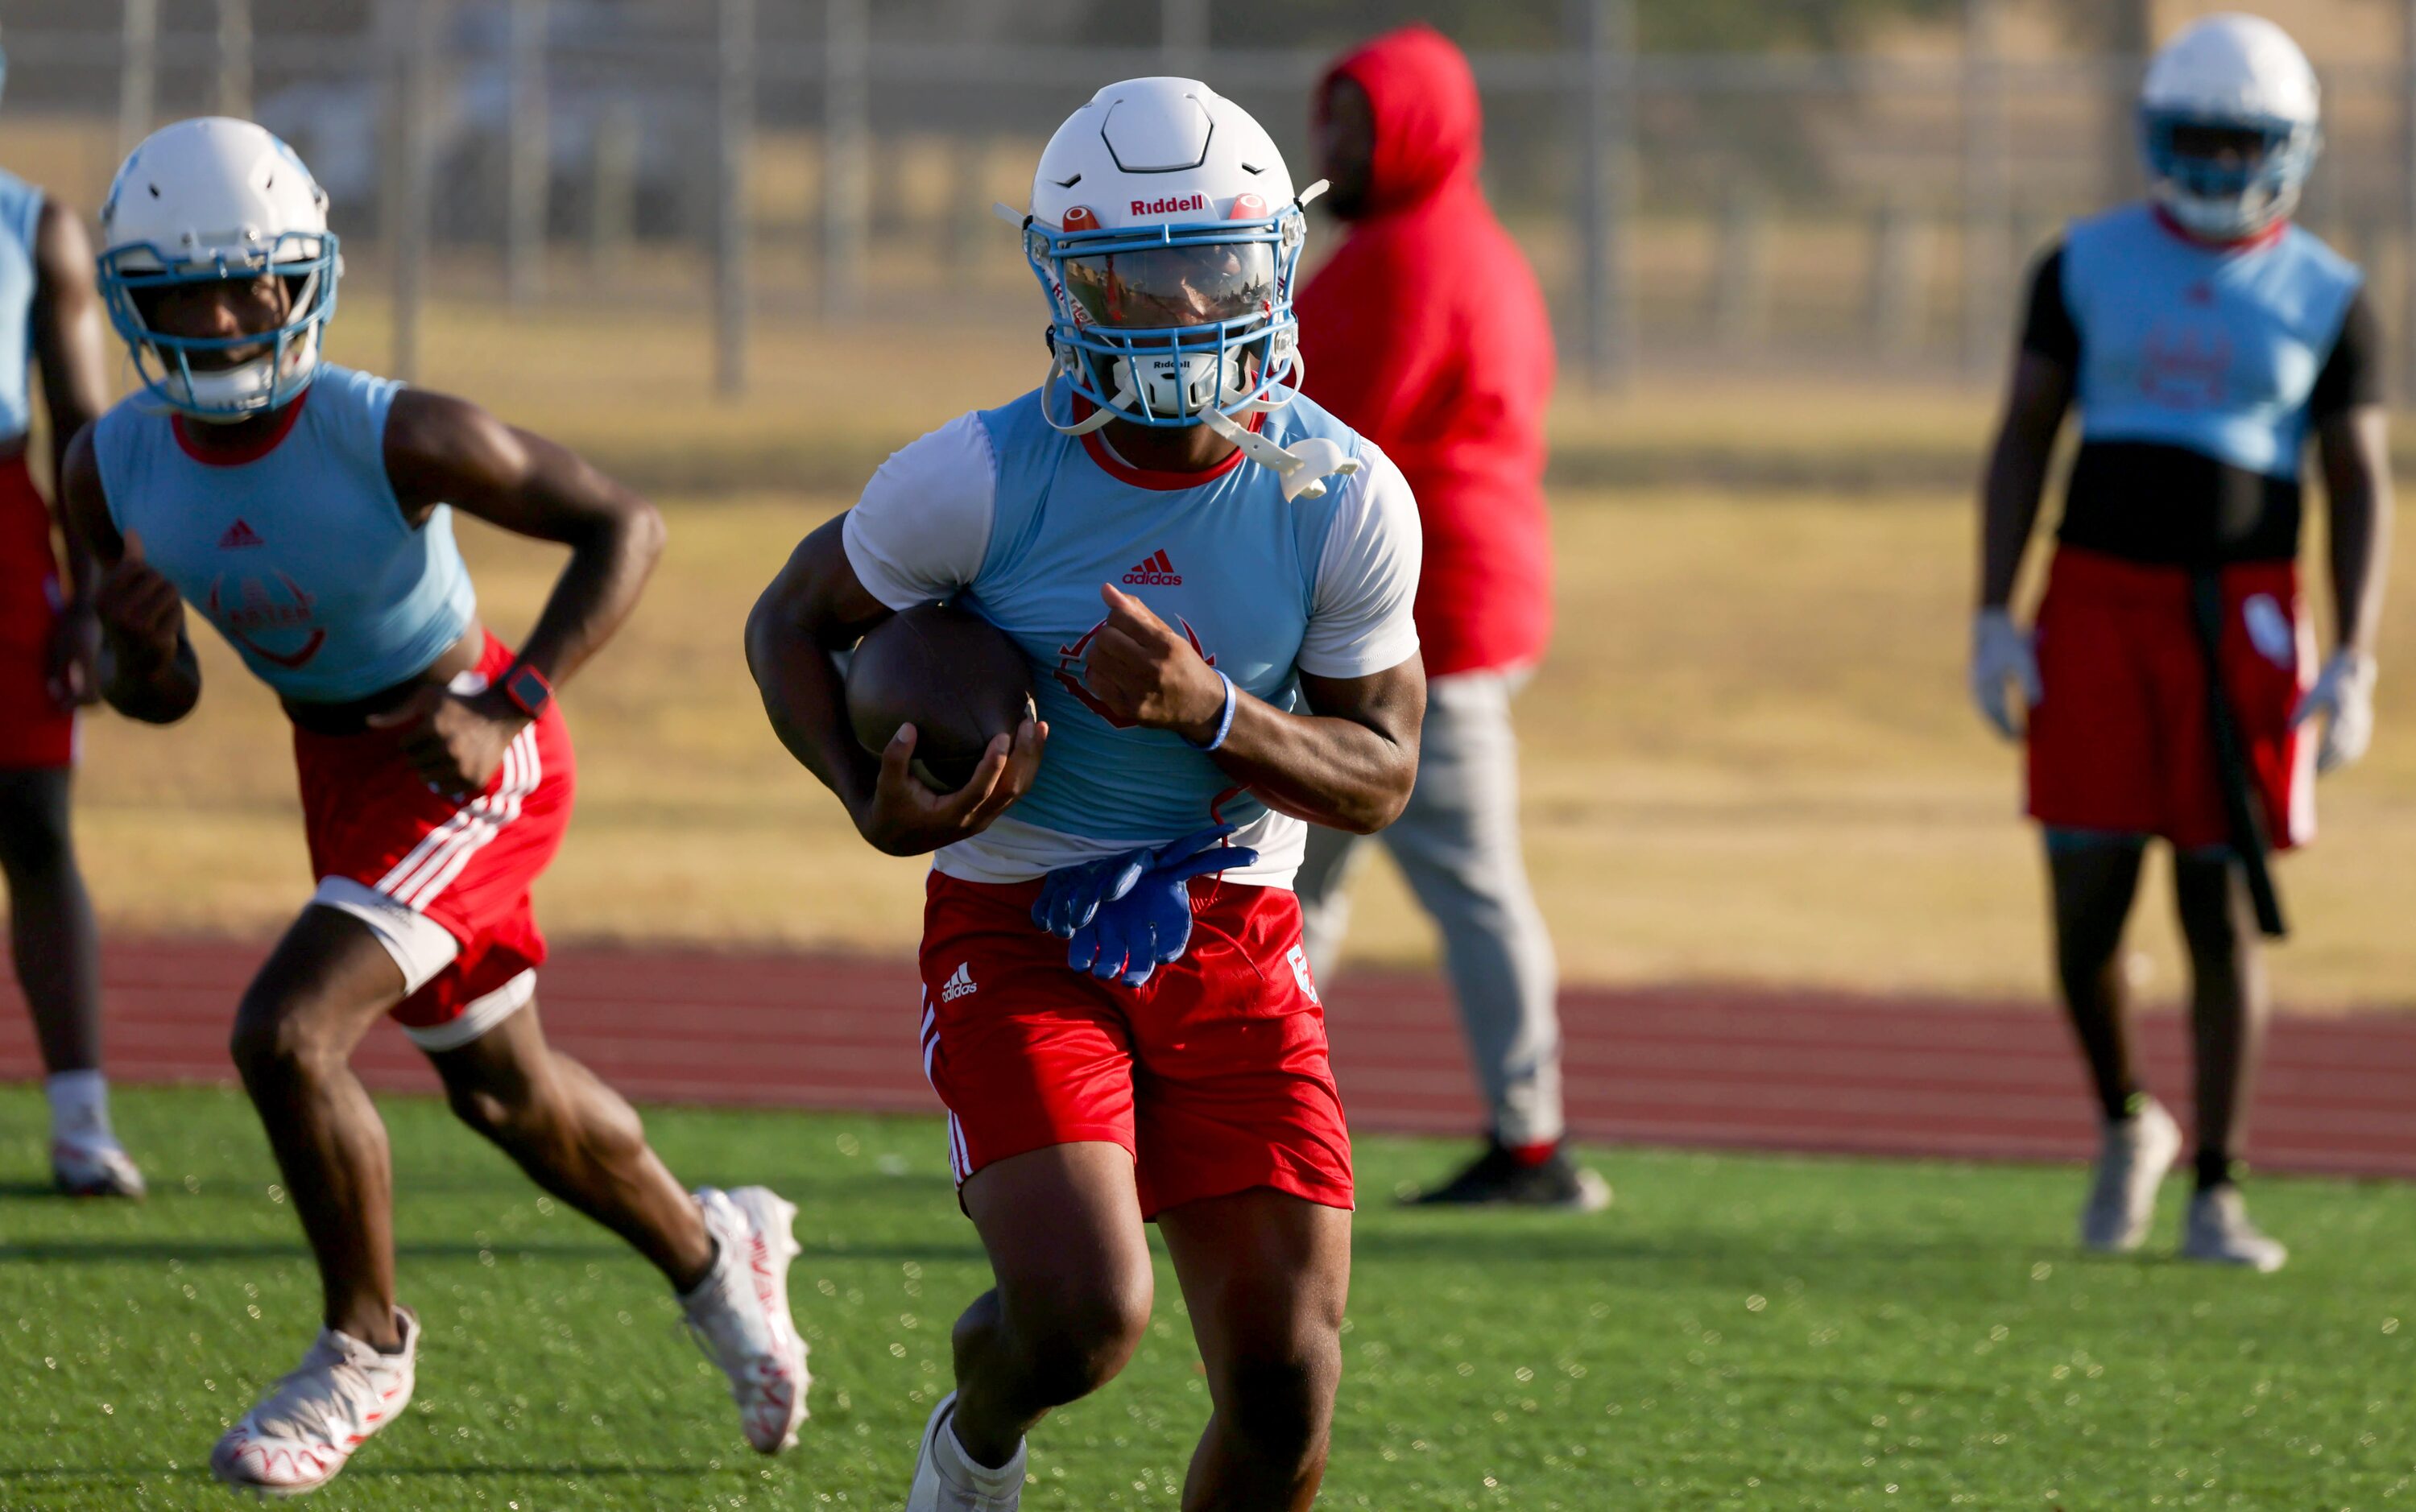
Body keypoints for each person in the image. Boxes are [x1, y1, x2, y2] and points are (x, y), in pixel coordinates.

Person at [65, 118, 810, 1494]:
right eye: (184, 293)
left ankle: (363, 1346)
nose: (222, 320)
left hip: (467, 746)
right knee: (504, 1094)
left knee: (285, 1034)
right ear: (132, 302)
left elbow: (623, 523)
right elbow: (151, 696)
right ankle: (720, 1254)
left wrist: (512, 700)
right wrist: (142, 648)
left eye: (249, 285)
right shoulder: (109, 465)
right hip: (339, 773)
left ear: (305, 283)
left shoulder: (390, 428)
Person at [748, 76, 1422, 1512]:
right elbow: (788, 622)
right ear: (1067, 280)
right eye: (1137, 270)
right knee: (1083, 1316)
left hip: (1231, 918)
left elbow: (1382, 771)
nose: (1182, 307)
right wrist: (865, 796)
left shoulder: (1341, 494)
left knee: (1286, 1385)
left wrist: (1213, 711)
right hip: (1017, 916)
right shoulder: (978, 477)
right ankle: (972, 1442)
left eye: (1218, 265)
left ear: (1276, 265)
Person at [1972, 16, 2390, 1273]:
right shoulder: (2082, 262)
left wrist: (2358, 648)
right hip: (2096, 604)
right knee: (2087, 898)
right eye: (2195, 137)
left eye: (2242, 142)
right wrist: (1997, 608)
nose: (2216, 163)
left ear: (2292, 149)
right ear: (2158, 137)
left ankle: (2220, 1181)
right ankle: (2126, 1119)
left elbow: (2359, 479)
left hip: (2245, 616)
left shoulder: (2329, 292)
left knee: (2220, 904)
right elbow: (2025, 437)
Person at [1290, 25, 1598, 1211]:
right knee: (1299, 877)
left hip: (1424, 622)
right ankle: (1257, 1110)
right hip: (1449, 600)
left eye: (1355, 126)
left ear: (1415, 130)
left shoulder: (1403, 261)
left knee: (1461, 882)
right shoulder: (1466, 243)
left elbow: (1314, 439)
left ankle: (1536, 1144)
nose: (1332, 148)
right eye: (1331, 122)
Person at [0, 42, 139, 1198]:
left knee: (35, 823)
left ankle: (81, 1114)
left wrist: (93, 598)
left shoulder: (32, 225)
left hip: (4, 529)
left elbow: (83, 421)